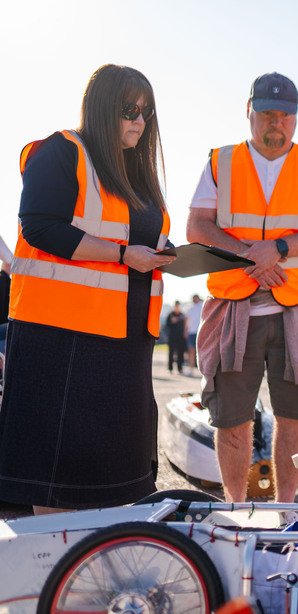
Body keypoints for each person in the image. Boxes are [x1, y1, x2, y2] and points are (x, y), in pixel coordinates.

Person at [0, 64, 175, 515]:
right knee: (56, 470)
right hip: (61, 337)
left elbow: (132, 239)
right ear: (100, 109)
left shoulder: (136, 175)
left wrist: (165, 253)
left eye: (146, 113)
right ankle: (54, 566)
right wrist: (122, 254)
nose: (138, 120)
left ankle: (91, 565)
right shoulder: (62, 150)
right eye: (128, 110)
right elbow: (39, 227)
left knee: (110, 470)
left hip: (124, 337)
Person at [186, 72, 298, 504]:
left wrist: (276, 249)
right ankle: (237, 510)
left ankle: (285, 510)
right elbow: (197, 225)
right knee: (231, 420)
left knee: (294, 419)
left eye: (286, 115)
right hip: (234, 309)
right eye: (268, 113)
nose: (277, 121)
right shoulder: (221, 161)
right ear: (249, 112)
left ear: (296, 118)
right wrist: (252, 255)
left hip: (296, 307)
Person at [165, 300, 187, 374]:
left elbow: (185, 325)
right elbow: (167, 324)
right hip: (172, 336)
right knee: (171, 352)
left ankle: (179, 368)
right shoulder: (171, 314)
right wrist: (173, 320)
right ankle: (170, 368)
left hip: (180, 337)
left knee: (180, 353)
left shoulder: (182, 315)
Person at [185, 293, 202, 371]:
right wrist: (185, 331)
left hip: (201, 332)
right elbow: (187, 320)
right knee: (191, 351)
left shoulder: (202, 305)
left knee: (201, 351)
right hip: (191, 331)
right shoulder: (189, 308)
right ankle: (191, 368)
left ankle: (202, 369)